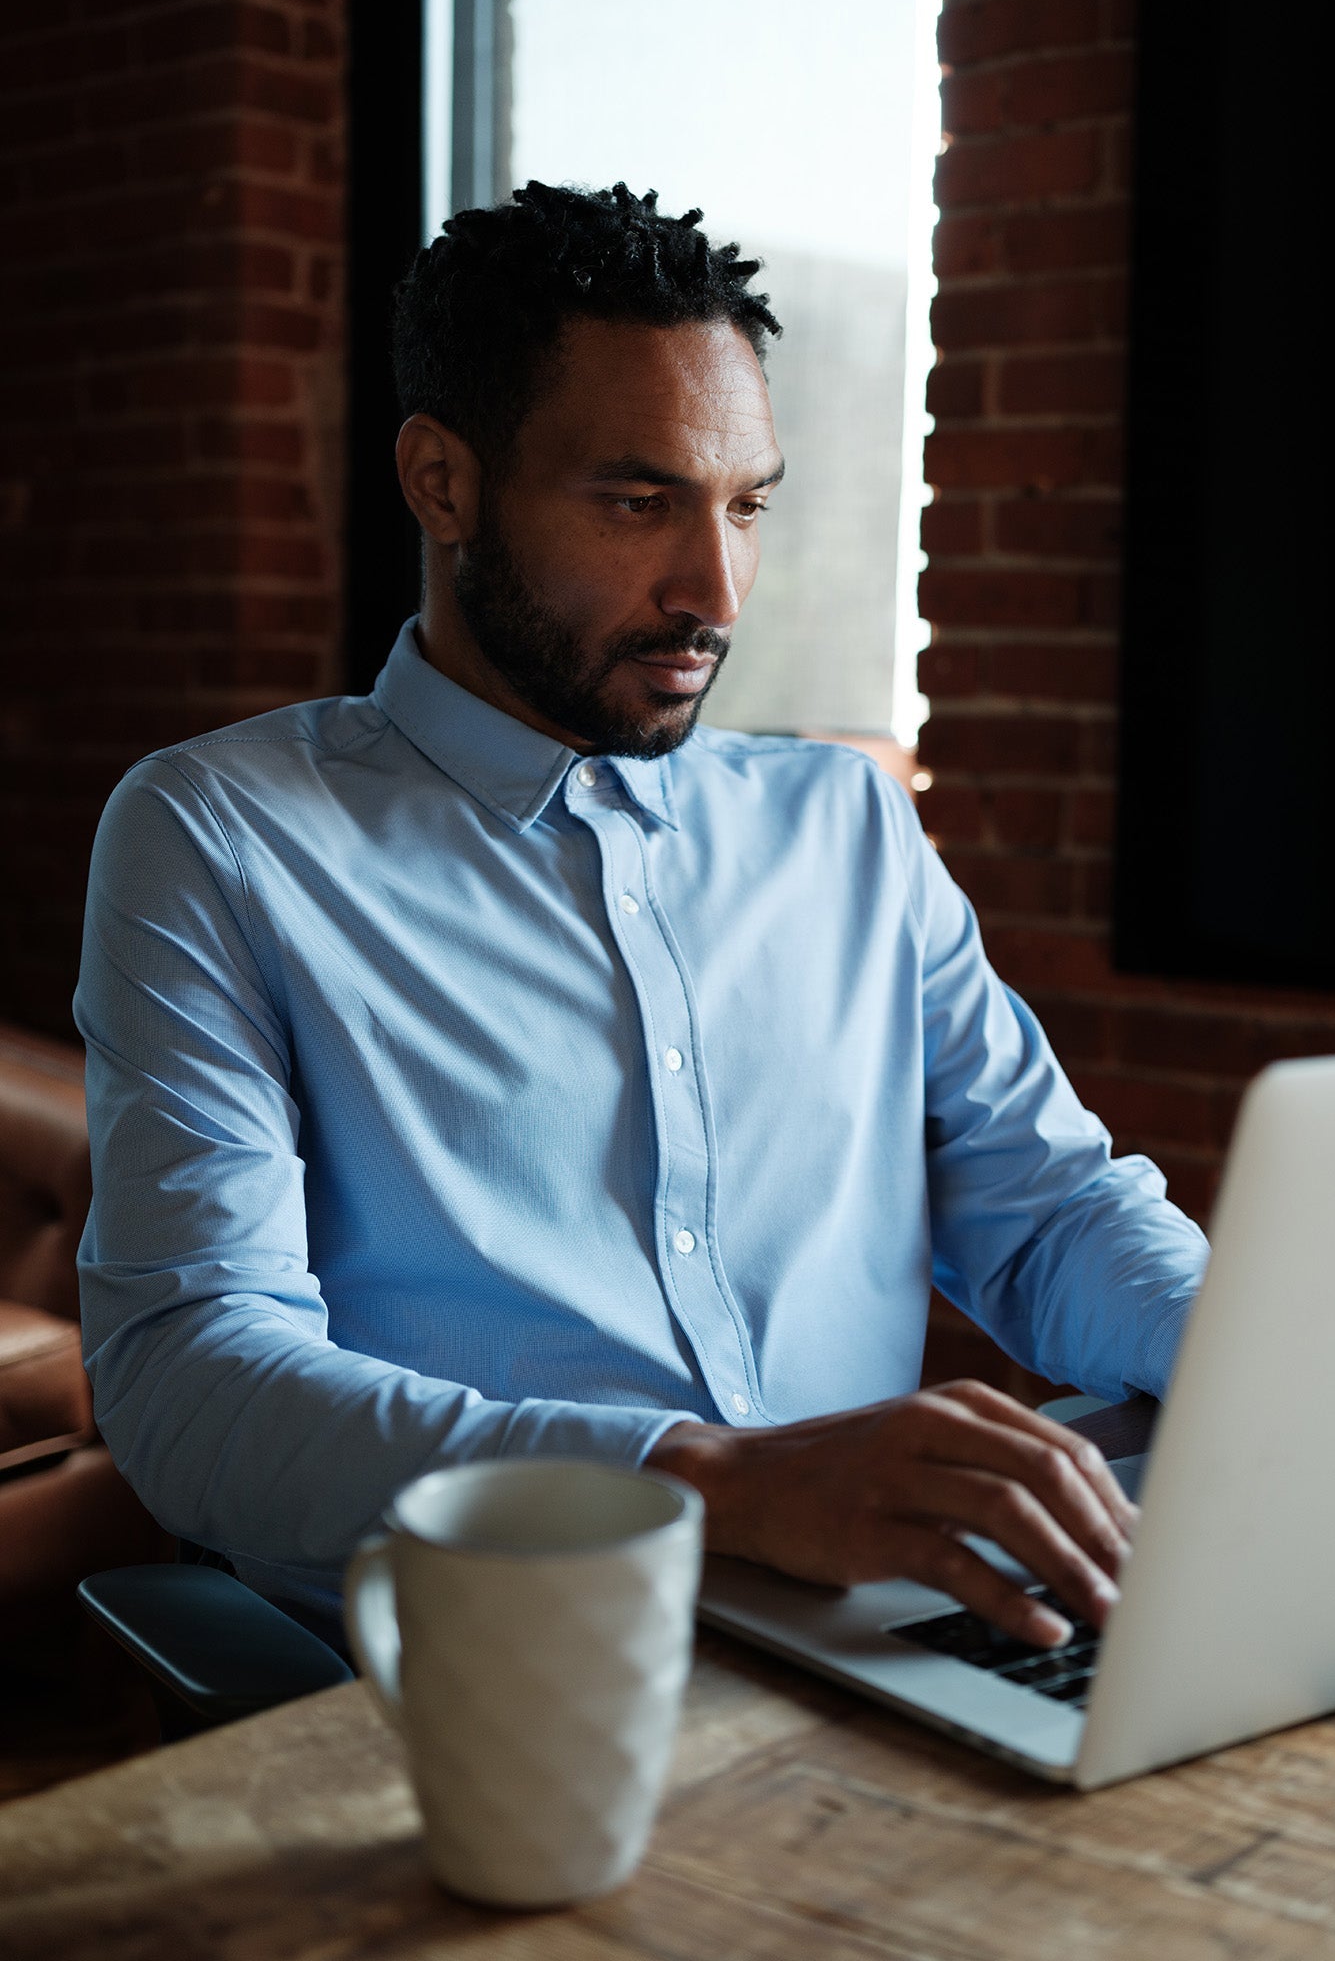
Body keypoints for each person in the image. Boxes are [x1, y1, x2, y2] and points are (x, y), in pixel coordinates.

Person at [76, 184, 1208, 1651]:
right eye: (637, 502)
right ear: (442, 482)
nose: (713, 589)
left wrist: (1261, 1366)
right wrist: (710, 1485)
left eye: (746, 506)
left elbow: (1043, 1208)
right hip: (502, 1677)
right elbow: (191, 1380)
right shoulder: (218, 837)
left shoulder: (843, 826)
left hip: (890, 1639)